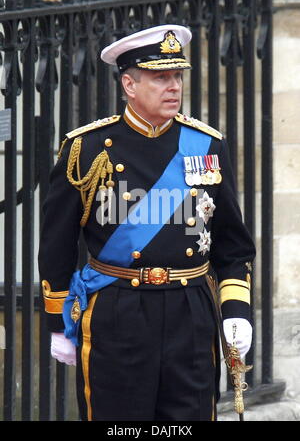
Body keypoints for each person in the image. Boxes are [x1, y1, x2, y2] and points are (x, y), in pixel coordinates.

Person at [38, 24, 255, 421]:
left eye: (177, 77)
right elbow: (57, 243)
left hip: (190, 308)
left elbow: (232, 244)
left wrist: (236, 310)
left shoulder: (206, 145)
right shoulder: (85, 149)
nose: (173, 86)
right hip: (119, 309)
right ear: (129, 84)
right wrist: (58, 322)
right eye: (160, 77)